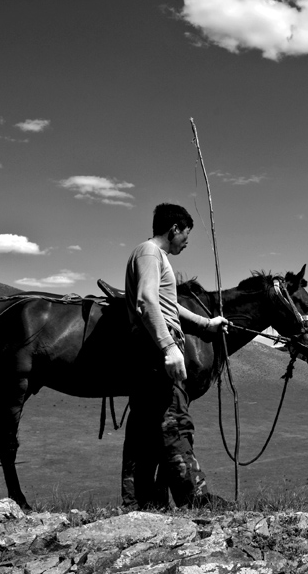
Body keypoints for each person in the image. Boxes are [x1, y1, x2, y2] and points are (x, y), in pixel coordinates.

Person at [121, 203, 229, 509]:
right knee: (174, 422)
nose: (186, 242)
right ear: (174, 230)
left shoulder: (154, 256)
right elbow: (146, 301)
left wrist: (206, 324)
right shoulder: (150, 254)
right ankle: (197, 500)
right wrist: (169, 347)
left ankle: (139, 504)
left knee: (144, 428)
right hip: (156, 349)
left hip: (150, 348)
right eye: (186, 235)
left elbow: (168, 304)